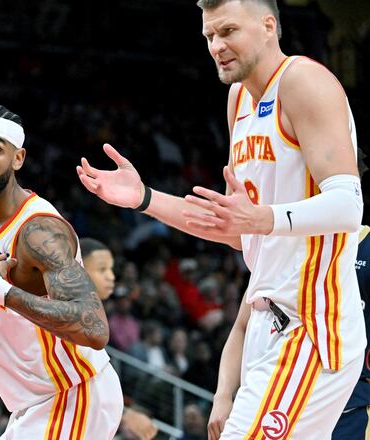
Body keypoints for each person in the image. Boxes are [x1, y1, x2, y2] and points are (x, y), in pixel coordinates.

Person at [77, 0, 364, 438]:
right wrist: (145, 198)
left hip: (312, 325)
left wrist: (263, 218)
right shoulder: (238, 101)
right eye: (209, 35)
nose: (217, 46)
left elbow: (347, 206)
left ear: (269, 26)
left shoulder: (303, 80)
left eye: (228, 31)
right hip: (266, 325)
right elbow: (233, 229)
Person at [0, 105, 123, 439]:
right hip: (30, 403)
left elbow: (94, 328)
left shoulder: (39, 231)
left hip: (74, 393)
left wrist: (1, 291)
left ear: (18, 158)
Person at [81, 237, 159, 440]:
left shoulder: (90, 317)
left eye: (111, 269)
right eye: (102, 269)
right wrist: (124, 416)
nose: (111, 277)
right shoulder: (67, 319)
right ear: (78, 269)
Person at [332, 224, 370, 438]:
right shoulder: (292, 244)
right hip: (294, 397)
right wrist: (223, 395)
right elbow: (244, 324)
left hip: (353, 405)